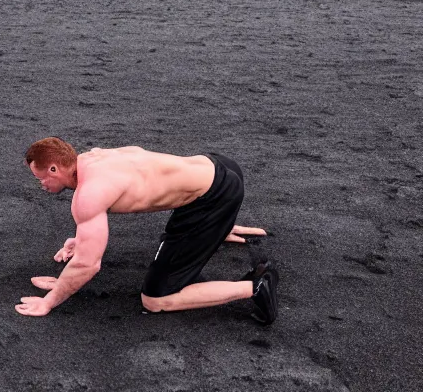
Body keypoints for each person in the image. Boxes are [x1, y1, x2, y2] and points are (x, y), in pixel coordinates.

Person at [16, 136, 278, 324]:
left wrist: (49, 301)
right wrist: (80, 240)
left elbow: (87, 265)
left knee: (156, 299)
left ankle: (256, 287)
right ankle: (218, 226)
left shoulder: (89, 193)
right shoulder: (92, 158)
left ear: (54, 168)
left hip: (215, 196)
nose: (41, 184)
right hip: (219, 166)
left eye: (41, 178)